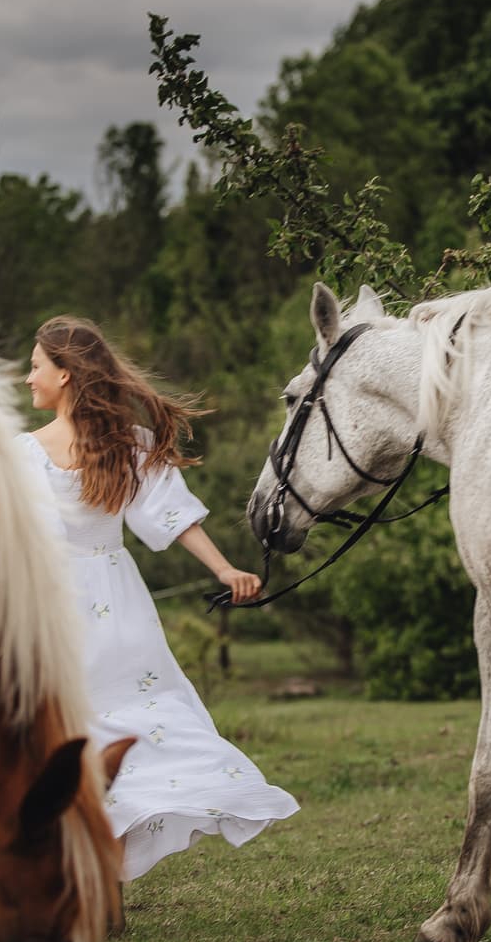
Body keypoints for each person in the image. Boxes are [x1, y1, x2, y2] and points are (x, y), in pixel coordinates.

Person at [20, 316, 298, 881]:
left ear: (66, 375)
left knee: (68, 733)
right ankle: (104, 875)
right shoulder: (129, 445)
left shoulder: (23, 454)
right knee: (136, 726)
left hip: (53, 611)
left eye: (35, 366)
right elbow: (174, 516)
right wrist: (224, 568)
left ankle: (91, 875)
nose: (27, 378)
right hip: (119, 608)